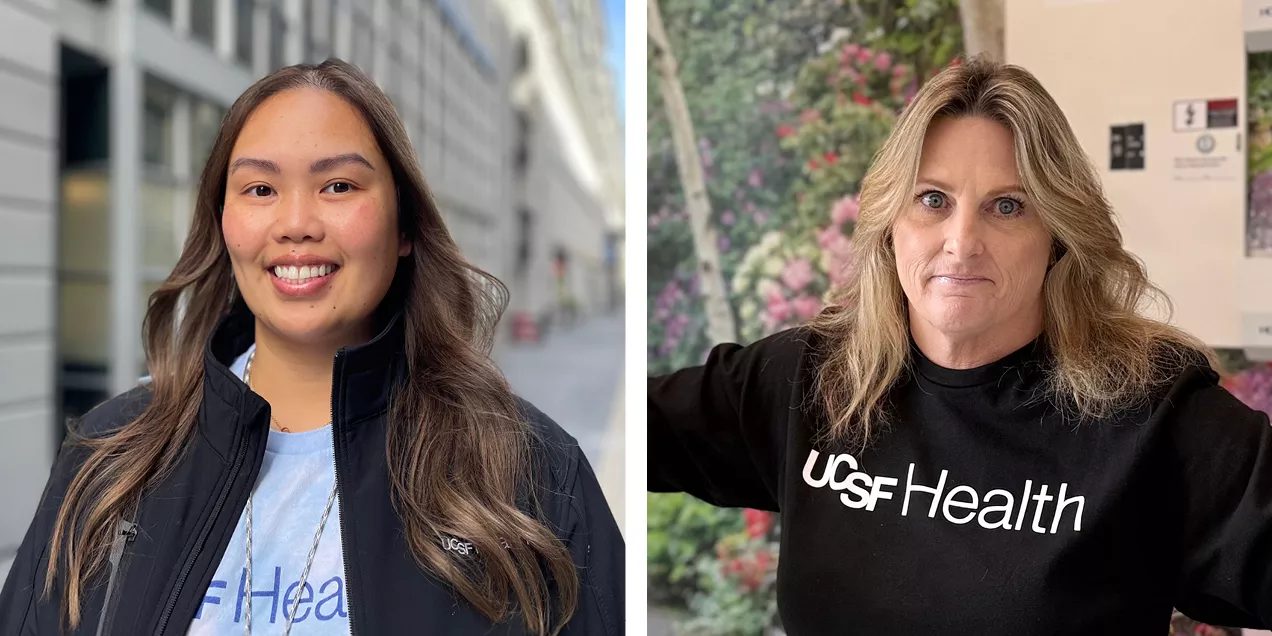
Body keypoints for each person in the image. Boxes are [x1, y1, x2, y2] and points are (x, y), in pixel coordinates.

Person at [648, 56, 1272, 633]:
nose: (962, 239)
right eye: (932, 200)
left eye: (1007, 206)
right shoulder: (815, 378)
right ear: (890, 222)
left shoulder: (1148, 413)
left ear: (1056, 235)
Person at [0, 59, 623, 635]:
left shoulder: (529, 473)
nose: (296, 223)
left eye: (339, 187)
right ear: (224, 224)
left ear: (404, 227)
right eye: (260, 190)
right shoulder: (112, 457)